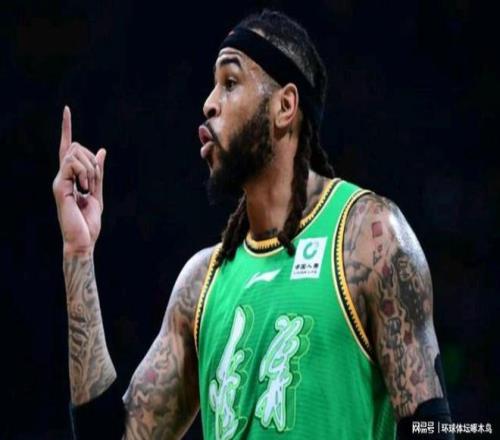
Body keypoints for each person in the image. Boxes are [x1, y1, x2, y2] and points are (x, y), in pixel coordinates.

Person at [52, 9, 453, 440]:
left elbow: (434, 429)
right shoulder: (199, 286)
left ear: (285, 107)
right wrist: (78, 254)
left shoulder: (368, 239)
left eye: (230, 82)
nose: (209, 103)